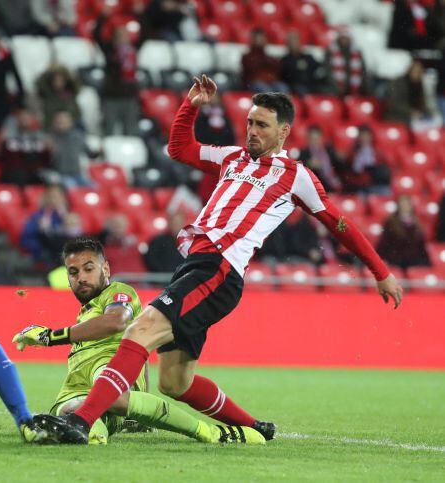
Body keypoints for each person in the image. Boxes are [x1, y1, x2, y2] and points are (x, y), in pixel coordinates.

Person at [30, 75, 403, 444]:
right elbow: (179, 149)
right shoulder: (232, 158)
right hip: (197, 266)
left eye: (262, 125)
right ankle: (256, 428)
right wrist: (190, 107)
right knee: (174, 381)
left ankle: (80, 421)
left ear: (284, 132)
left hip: (219, 269)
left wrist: (380, 271)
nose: (252, 131)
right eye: (249, 123)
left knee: (140, 330)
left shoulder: (296, 177)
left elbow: (339, 224)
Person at [13, 237, 264, 445]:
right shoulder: (85, 311)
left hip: (112, 376)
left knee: (112, 396)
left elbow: (116, 321)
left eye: (89, 269)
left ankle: (207, 432)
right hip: (77, 385)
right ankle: (94, 433)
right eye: (74, 272)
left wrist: (50, 336)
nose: (81, 277)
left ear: (106, 269)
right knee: (63, 415)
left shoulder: (118, 292)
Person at [94, 7, 142, 136]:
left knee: (131, 133)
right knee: (108, 132)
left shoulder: (133, 50)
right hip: (112, 98)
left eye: (125, 34)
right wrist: (102, 18)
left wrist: (140, 15)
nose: (123, 37)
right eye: (119, 34)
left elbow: (145, 34)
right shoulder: (110, 51)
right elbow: (97, 35)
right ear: (114, 37)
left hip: (129, 97)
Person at [376, 195, 431, 269]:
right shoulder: (391, 222)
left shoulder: (417, 224)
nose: (405, 207)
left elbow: (421, 247)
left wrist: (426, 263)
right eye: (402, 205)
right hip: (395, 261)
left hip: (413, 262)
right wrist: (382, 259)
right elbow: (384, 243)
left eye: (407, 204)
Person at [384, 59, 437, 128]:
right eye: (416, 70)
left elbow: (422, 103)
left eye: (420, 71)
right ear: (409, 70)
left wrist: (430, 112)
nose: (418, 73)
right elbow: (395, 104)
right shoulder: (398, 83)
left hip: (414, 118)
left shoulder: (419, 84)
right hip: (397, 117)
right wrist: (412, 112)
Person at [324, 28, 370, 97]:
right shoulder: (330, 51)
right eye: (342, 38)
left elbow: (363, 72)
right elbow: (328, 72)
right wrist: (337, 89)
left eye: (346, 38)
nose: (344, 40)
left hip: (354, 89)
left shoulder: (357, 52)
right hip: (335, 90)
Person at [241, 29, 288, 93]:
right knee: (265, 90)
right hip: (254, 84)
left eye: (263, 38)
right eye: (259, 38)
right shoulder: (247, 57)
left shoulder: (268, 57)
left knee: (283, 87)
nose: (262, 41)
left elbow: (277, 68)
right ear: (253, 40)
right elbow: (251, 69)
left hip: (271, 83)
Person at [299, 125, 343, 193]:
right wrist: (309, 165)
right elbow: (299, 170)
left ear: (321, 138)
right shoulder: (304, 153)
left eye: (317, 138)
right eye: (312, 139)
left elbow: (339, 166)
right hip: (317, 189)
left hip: (335, 184)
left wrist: (341, 158)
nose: (315, 142)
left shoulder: (329, 150)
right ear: (308, 139)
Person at [280, 31, 321, 95]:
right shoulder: (285, 60)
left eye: (296, 41)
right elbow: (285, 77)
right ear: (287, 44)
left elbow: (317, 69)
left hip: (311, 84)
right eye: (291, 42)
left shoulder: (308, 57)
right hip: (295, 86)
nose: (294, 44)